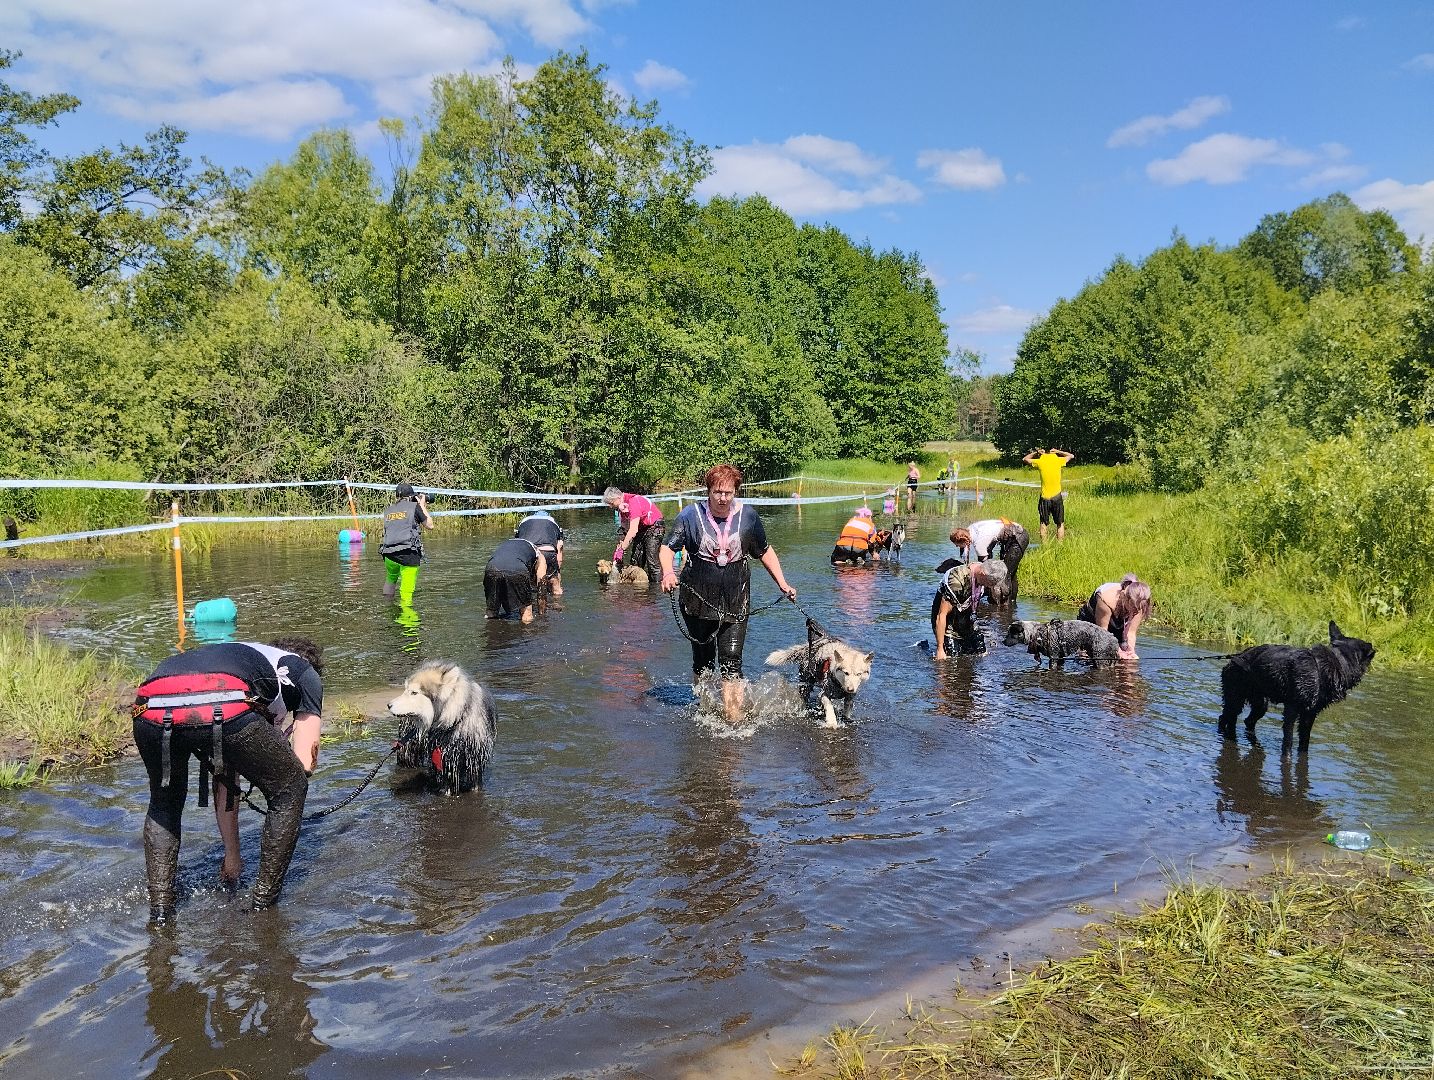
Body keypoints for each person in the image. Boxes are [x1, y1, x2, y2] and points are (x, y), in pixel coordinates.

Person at [132, 637, 325, 919]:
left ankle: (161, 913)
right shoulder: (306, 674)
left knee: (165, 804)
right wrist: (282, 756)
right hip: (225, 700)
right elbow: (304, 763)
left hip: (149, 703)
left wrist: (232, 856)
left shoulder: (245, 658)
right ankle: (263, 905)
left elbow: (226, 777)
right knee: (291, 788)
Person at [658, 463, 797, 724]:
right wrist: (667, 572)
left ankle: (733, 720)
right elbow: (667, 548)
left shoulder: (749, 517)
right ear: (708, 491)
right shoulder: (689, 516)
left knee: (732, 662)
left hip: (736, 600)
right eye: (717, 492)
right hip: (696, 601)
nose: (723, 498)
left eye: (728, 493)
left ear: (736, 492)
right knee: (703, 662)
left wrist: (782, 583)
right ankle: (706, 710)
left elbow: (764, 551)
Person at [930, 560, 1006, 659]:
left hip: (965, 616)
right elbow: (941, 615)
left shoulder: (982, 569)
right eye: (990, 583)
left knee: (980, 653)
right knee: (952, 659)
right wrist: (940, 649)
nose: (989, 586)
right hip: (948, 620)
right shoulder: (957, 581)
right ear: (983, 574)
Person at [379, 483, 435, 605]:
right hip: (407, 553)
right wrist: (422, 505)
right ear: (411, 496)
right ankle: (407, 618)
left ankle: (388, 606)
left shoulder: (388, 510)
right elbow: (430, 525)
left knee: (390, 579)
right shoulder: (414, 507)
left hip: (388, 553)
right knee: (406, 590)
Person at [951, 517, 1031, 600]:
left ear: (964, 541)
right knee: (1010, 573)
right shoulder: (969, 530)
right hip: (1012, 533)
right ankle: (1011, 602)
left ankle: (1005, 603)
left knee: (1005, 573)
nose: (957, 546)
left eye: (956, 544)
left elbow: (985, 569)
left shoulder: (979, 543)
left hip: (1018, 538)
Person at [1076, 574, 1153, 660]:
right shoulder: (1106, 599)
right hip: (1093, 621)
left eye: (1138, 609)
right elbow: (1102, 632)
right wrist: (1117, 651)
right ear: (1126, 598)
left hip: (1117, 620)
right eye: (1134, 607)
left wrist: (1130, 651)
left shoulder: (1140, 602)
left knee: (1125, 658)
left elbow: (1131, 633)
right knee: (1088, 654)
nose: (1137, 611)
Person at [602, 487, 665, 580]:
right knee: (635, 563)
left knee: (652, 562)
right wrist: (620, 544)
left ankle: (656, 589)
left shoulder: (634, 502)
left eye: (611, 503)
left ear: (618, 498)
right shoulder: (622, 507)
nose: (611, 506)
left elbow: (633, 530)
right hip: (641, 529)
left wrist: (623, 548)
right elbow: (624, 528)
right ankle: (637, 590)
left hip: (655, 527)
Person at [483, 537, 548, 624]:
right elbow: (542, 588)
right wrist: (542, 615)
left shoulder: (506, 545)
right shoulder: (540, 556)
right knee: (526, 614)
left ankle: (491, 633)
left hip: (491, 567)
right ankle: (528, 636)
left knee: (491, 611)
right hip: (517, 569)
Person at [1022, 447, 1074, 542]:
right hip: (1057, 497)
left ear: (1043, 454)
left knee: (1043, 524)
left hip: (1044, 498)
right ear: (1053, 453)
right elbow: (1071, 456)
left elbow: (1025, 459)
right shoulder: (1058, 460)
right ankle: (1060, 545)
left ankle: (1045, 546)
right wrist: (1058, 451)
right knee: (1060, 524)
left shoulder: (1040, 461)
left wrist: (1036, 452)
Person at [515, 510, 565, 597]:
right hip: (547, 551)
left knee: (529, 585)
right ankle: (556, 605)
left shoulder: (523, 522)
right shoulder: (553, 523)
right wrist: (556, 570)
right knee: (555, 585)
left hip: (528, 553)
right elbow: (559, 550)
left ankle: (531, 606)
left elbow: (517, 545)